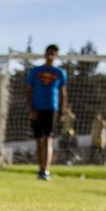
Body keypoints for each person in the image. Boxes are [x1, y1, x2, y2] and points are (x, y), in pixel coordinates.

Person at [25, 44, 67, 181]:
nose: (51, 55)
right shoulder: (35, 71)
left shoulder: (60, 73)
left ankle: (46, 170)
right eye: (49, 52)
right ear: (45, 54)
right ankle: (40, 168)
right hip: (37, 108)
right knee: (39, 141)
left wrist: (63, 112)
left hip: (51, 109)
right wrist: (31, 109)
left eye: (54, 53)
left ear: (56, 56)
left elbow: (63, 94)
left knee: (49, 139)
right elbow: (28, 91)